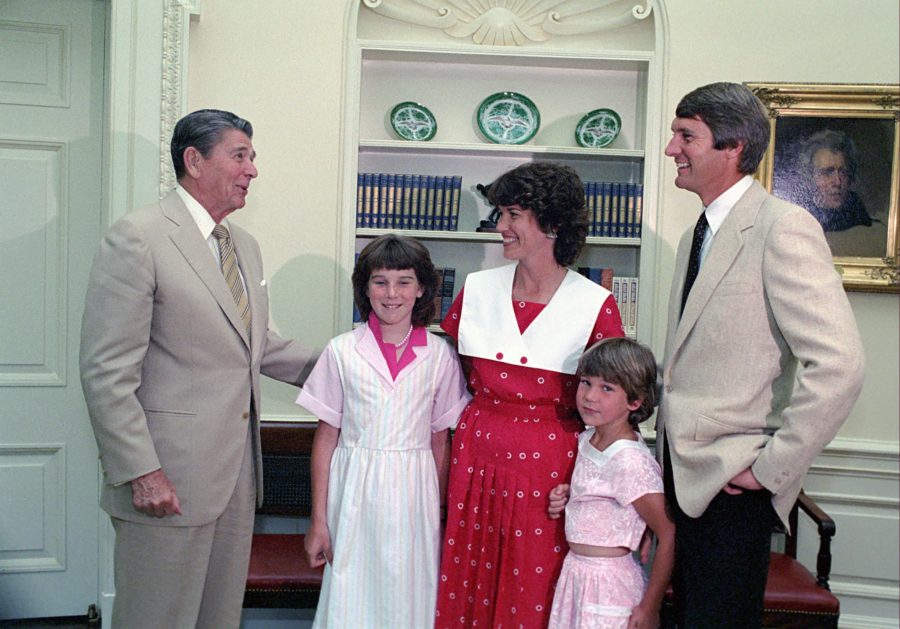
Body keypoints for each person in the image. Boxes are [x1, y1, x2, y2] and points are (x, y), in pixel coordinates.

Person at [79, 109, 315, 628]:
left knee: (217, 618)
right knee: (155, 618)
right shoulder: (138, 237)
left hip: (234, 479)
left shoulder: (243, 247)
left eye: (252, 157)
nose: (252, 169)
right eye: (240, 156)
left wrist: (355, 363)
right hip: (167, 482)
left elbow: (257, 347)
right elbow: (106, 371)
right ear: (194, 160)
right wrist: (142, 470)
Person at [658, 82, 865, 628]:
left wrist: (770, 469)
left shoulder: (784, 227)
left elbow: (839, 365)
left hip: (732, 490)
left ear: (733, 147)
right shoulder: (693, 237)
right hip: (679, 483)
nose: (671, 149)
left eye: (686, 136)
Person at [435, 161, 625, 628]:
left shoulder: (594, 304)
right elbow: (451, 378)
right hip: (476, 455)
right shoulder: (477, 289)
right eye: (501, 213)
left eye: (513, 214)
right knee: (469, 580)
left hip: (551, 467)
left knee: (532, 588)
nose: (500, 226)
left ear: (553, 224)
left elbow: (613, 409)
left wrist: (588, 482)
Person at [297, 234, 470, 628]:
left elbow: (440, 439)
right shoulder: (342, 351)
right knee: (351, 595)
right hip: (354, 489)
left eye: (404, 281)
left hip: (415, 492)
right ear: (365, 288)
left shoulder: (440, 356)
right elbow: (326, 439)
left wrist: (440, 513)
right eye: (380, 281)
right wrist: (319, 520)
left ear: (422, 287)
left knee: (410, 595)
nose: (392, 293)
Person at [547, 337, 674, 629]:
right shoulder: (585, 440)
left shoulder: (630, 461)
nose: (590, 396)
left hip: (609, 587)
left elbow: (668, 533)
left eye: (607, 388)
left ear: (635, 401)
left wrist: (650, 607)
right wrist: (568, 496)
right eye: (586, 382)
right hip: (576, 578)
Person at [795, 128, 887, 257]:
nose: (837, 182)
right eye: (827, 172)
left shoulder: (870, 228)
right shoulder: (797, 223)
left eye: (843, 172)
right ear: (810, 177)